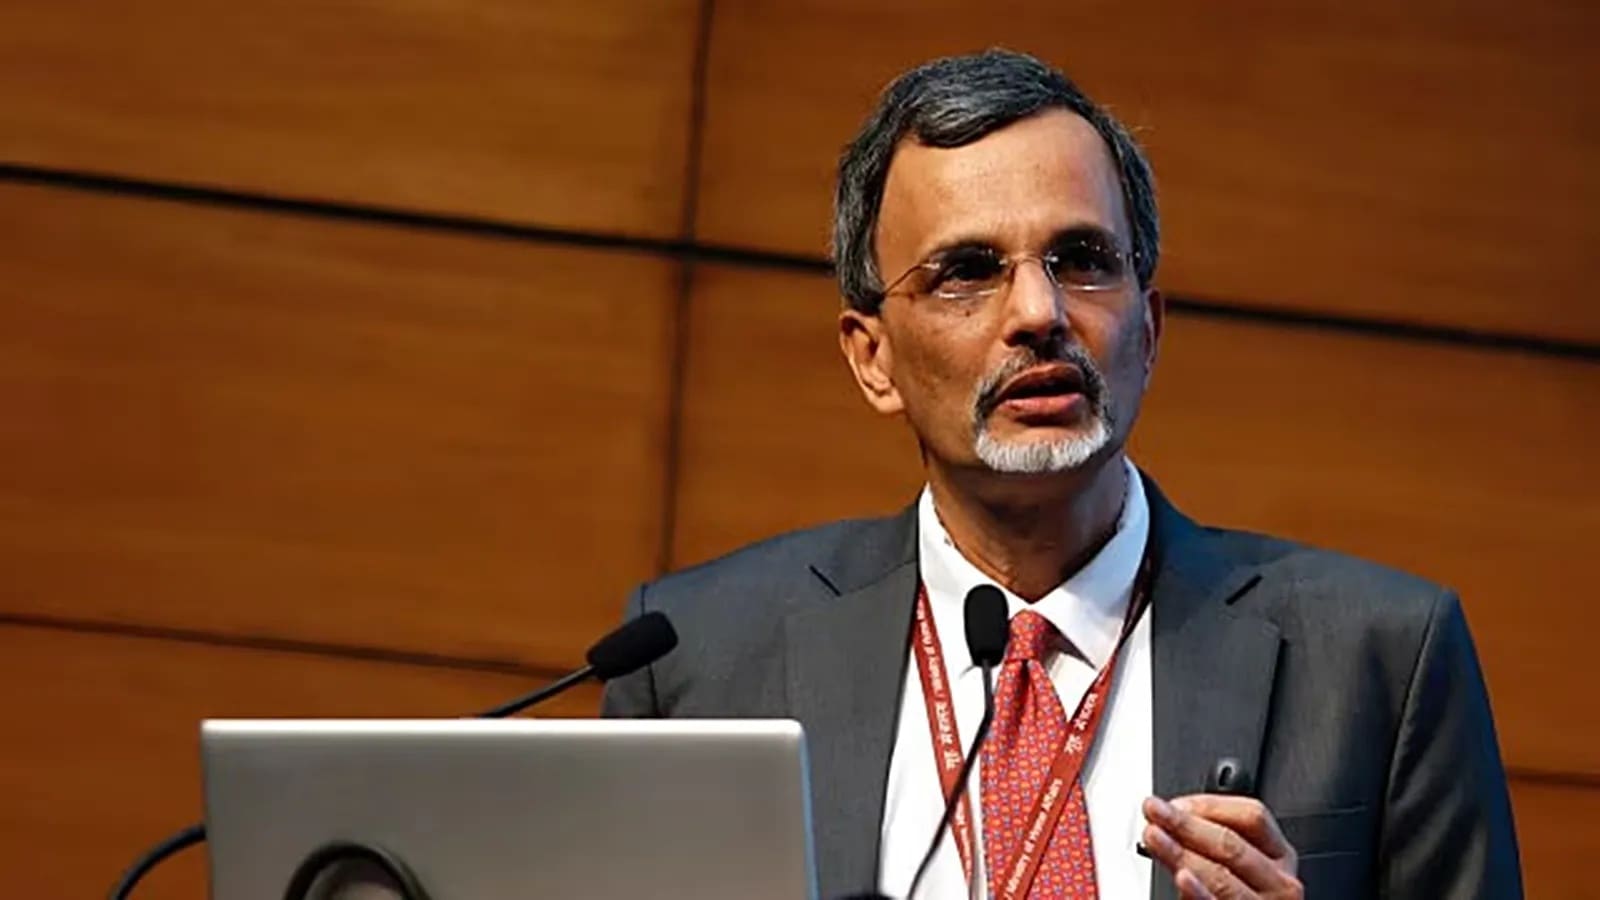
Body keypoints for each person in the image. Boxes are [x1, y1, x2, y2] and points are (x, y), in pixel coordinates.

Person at [603, 49, 1521, 900]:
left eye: (1082, 261)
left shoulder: (1379, 661)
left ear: (1148, 330)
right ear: (872, 358)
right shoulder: (698, 666)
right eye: (968, 271)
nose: (1039, 312)